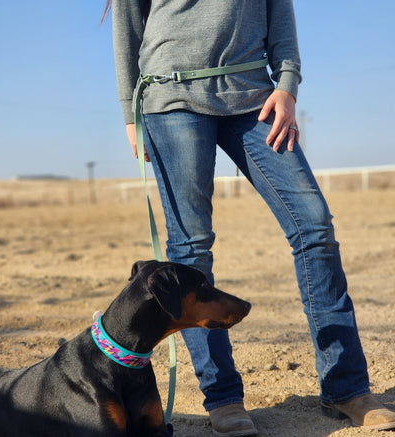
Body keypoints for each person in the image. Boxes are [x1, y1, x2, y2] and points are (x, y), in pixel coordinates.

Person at [104, 1, 395, 435]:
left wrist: (288, 85)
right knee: (191, 247)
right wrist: (131, 113)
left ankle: (346, 388)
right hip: (171, 97)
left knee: (313, 224)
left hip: (254, 97)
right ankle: (222, 397)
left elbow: (279, 13)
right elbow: (127, 24)